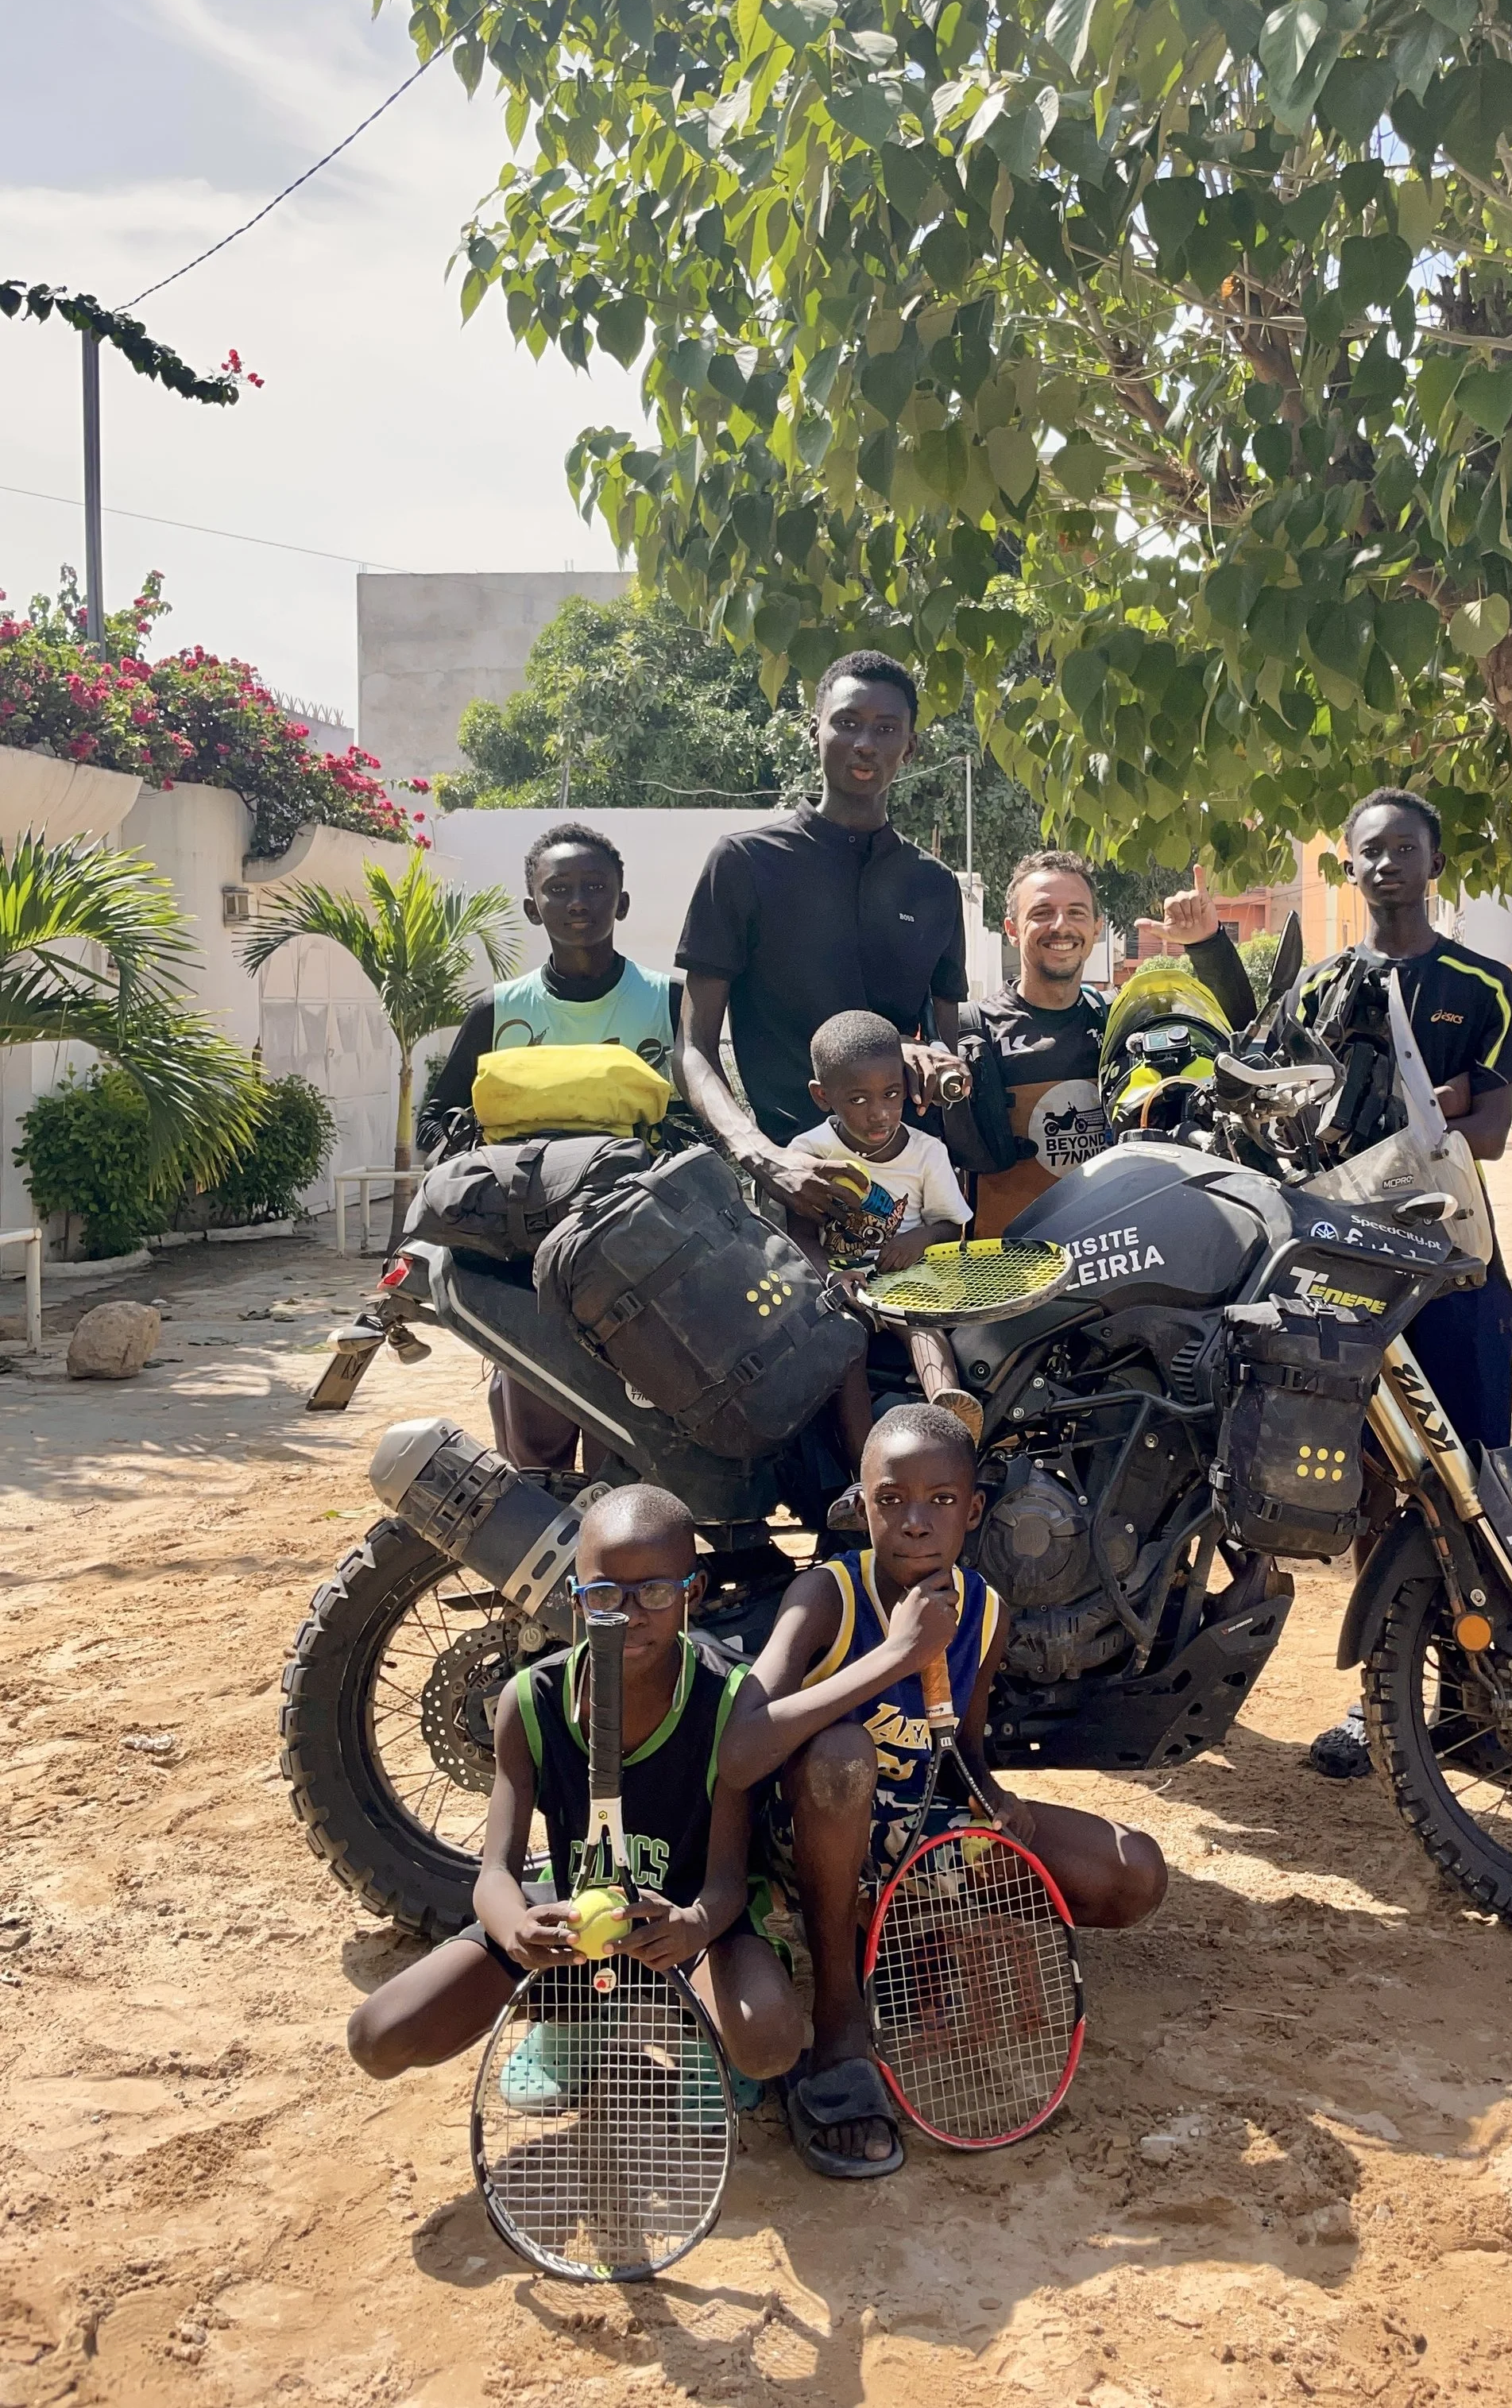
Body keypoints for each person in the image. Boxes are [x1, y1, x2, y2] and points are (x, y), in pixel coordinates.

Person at [717, 1402, 1168, 2179]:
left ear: (974, 1510)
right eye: (891, 1501)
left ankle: (902, 1941)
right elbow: (741, 1751)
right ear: (862, 1508)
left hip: (917, 1835)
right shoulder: (826, 1598)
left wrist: (992, 1796)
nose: (916, 1522)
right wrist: (894, 1657)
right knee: (841, 1755)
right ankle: (837, 2020)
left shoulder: (983, 1611)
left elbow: (959, 1748)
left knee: (1135, 1873)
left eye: (940, 1501)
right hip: (812, 1840)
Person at [345, 1485, 806, 2104]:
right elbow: (494, 1877)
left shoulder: (727, 1699)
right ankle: (576, 2022)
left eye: (656, 1592)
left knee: (769, 2041)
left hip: (693, 1929)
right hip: (576, 1929)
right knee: (379, 2035)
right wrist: (517, 1931)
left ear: (692, 1592)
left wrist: (692, 1926)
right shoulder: (530, 1700)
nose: (630, 1613)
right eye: (605, 1594)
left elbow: (725, 1881)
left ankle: (701, 2033)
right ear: (575, 1596)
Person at [1301, 786, 1512, 1782]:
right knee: (1372, 1495)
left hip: (1456, 1276)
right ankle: (1384, 1709)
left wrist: (1433, 1104)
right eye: (1369, 851)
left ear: (1431, 863)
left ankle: (1481, 1713)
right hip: (1355, 1277)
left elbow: (1490, 1129)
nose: (1387, 864)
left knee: (1476, 1486)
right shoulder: (1320, 987)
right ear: (1350, 869)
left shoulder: (1481, 984)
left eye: (1405, 847)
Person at [675, 651, 969, 1239]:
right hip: (792, 1196)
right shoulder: (743, 865)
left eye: (887, 728)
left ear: (909, 748)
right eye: (847, 721)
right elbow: (693, 1046)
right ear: (816, 732)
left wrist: (937, 1059)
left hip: (907, 1204)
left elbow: (943, 1039)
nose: (866, 742)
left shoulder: (934, 886)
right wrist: (760, 1156)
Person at [416, 822, 675, 1472]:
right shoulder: (498, 1011)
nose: (578, 903)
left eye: (595, 887)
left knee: (639, 1419)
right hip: (523, 1246)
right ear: (534, 907)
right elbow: (435, 1123)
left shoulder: (668, 1002)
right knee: (536, 1422)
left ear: (622, 901)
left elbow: (706, 1111)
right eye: (559, 890)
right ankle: (548, 1559)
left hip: (638, 1249)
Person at [961, 854, 1258, 1233]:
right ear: (1012, 929)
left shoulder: (1124, 1021)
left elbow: (1234, 1036)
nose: (1061, 926)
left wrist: (1206, 944)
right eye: (1041, 912)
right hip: (1008, 1268)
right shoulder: (971, 1031)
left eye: (1077, 912)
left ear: (1097, 927)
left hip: (1114, 1261)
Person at [787, 1009, 973, 1455]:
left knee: (923, 1328)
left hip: (907, 1282)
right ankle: (866, 1465)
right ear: (822, 1096)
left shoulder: (928, 1153)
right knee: (848, 1347)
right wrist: (832, 1278)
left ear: (907, 1088)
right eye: (858, 1100)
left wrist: (919, 1239)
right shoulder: (808, 1154)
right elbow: (802, 1237)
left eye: (892, 1094)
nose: (880, 1114)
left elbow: (953, 1224)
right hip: (841, 1289)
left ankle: (947, 1418)